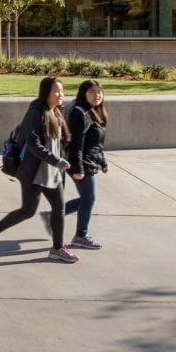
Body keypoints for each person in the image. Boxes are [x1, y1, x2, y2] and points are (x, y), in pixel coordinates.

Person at [0, 76, 77, 264]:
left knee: (59, 207)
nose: (61, 94)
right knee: (28, 211)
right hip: (34, 171)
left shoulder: (57, 112)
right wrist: (56, 161)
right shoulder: (35, 113)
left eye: (62, 90)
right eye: (56, 91)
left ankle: (57, 249)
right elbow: (33, 144)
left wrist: (63, 162)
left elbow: (60, 144)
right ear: (46, 93)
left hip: (52, 171)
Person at [61, 79, 109, 249]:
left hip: (88, 161)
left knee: (86, 198)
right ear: (83, 94)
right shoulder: (79, 113)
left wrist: (102, 161)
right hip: (79, 163)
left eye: (99, 91)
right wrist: (78, 169)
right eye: (92, 92)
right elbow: (75, 144)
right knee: (89, 198)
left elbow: (96, 142)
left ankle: (54, 215)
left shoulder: (94, 111)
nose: (96, 95)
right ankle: (80, 235)